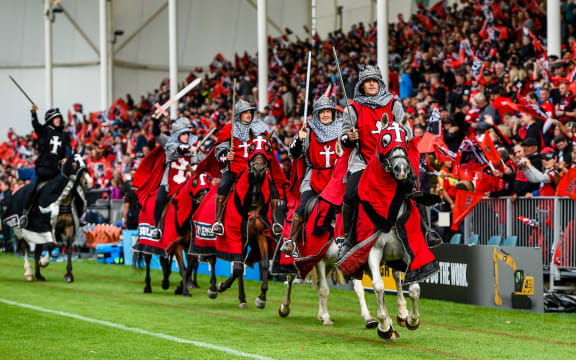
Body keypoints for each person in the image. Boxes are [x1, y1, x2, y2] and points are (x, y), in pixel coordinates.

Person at [338, 64, 442, 259]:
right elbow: (343, 138)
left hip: (390, 161)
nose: (371, 84)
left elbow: (408, 131)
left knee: (413, 185)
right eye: (367, 81)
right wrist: (349, 138)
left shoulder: (393, 103)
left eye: (374, 81)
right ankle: (347, 240)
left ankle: (427, 231)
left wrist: (396, 133)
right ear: (361, 85)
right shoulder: (352, 108)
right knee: (350, 195)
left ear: (380, 83)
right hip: (363, 161)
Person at [280, 95, 342, 255]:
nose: (326, 115)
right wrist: (299, 140)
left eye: (328, 111)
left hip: (337, 176)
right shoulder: (307, 130)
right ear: (317, 114)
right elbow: (293, 154)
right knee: (302, 208)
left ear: (333, 113)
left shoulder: (341, 128)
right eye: (322, 112)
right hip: (315, 174)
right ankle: (292, 242)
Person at [211, 100, 269, 236]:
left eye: (250, 112)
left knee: (272, 186)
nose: (249, 115)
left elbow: (265, 146)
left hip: (253, 169)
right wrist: (226, 155)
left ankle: (275, 221)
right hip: (234, 168)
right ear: (239, 115)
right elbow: (220, 148)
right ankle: (218, 221)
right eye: (245, 113)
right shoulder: (229, 130)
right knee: (223, 186)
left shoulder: (259, 129)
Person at [20, 105, 71, 228]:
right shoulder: (44, 131)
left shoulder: (65, 135)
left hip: (57, 171)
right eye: (55, 118)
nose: (58, 120)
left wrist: (67, 158)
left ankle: (73, 215)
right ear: (50, 120)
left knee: (70, 188)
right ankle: (24, 214)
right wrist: (33, 113)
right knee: (33, 189)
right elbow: (36, 125)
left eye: (59, 117)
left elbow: (67, 151)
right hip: (44, 169)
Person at [152, 116, 200, 239]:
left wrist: (193, 169)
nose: (186, 137)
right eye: (183, 134)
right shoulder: (169, 143)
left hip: (186, 183)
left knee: (200, 198)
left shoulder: (193, 148)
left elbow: (195, 164)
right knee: (159, 201)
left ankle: (199, 227)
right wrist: (155, 120)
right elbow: (157, 134)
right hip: (168, 182)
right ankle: (157, 227)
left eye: (187, 134)